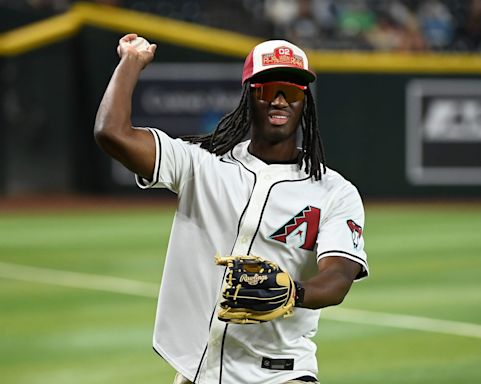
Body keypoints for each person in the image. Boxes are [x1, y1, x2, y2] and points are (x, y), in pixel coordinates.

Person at [94, 33, 369, 384]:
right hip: (198, 371)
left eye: (294, 90)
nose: (281, 100)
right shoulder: (201, 166)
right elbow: (110, 133)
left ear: (305, 102)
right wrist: (131, 60)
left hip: (281, 374)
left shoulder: (334, 191)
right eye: (269, 89)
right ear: (249, 95)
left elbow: (338, 279)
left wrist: (293, 292)